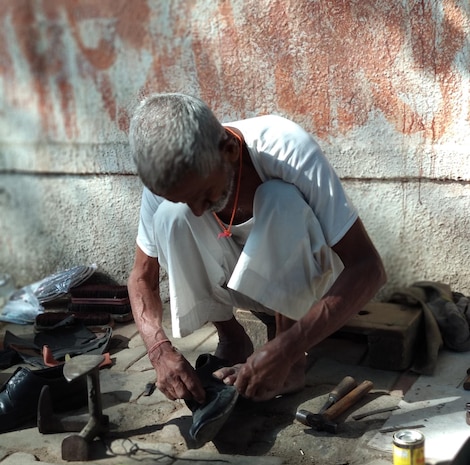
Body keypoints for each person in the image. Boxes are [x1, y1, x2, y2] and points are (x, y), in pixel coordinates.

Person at [127, 93, 386, 405]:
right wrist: (157, 349)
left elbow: (368, 267)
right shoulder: (171, 175)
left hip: (315, 286)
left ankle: (290, 361)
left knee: (280, 198)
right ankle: (233, 340)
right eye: (186, 198)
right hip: (241, 287)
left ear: (231, 151)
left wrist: (288, 348)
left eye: (205, 195)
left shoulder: (285, 147)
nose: (198, 211)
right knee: (171, 216)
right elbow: (141, 278)